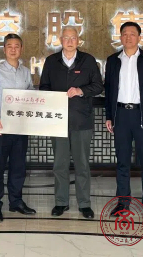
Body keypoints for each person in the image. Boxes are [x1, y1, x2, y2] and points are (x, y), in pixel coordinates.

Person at [40, 26, 104, 219]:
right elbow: (44, 87)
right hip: (57, 121)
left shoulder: (88, 60)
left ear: (78, 40)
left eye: (73, 38)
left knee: (82, 164)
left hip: (81, 120)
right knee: (59, 164)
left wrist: (80, 91)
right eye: (66, 38)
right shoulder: (52, 61)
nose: (69, 41)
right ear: (60, 40)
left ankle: (84, 204)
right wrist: (53, 98)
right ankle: (61, 202)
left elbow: (98, 86)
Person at [104, 22, 143, 224]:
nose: (128, 37)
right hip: (120, 115)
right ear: (120, 37)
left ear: (139, 37)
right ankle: (123, 203)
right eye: (124, 34)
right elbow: (109, 90)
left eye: (132, 34)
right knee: (122, 162)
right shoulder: (113, 61)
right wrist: (109, 116)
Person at [0, 33, 37, 222]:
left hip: (20, 127)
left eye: (17, 46)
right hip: (1, 127)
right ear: (4, 49)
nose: (13, 49)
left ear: (21, 49)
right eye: (9, 46)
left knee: (18, 166)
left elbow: (30, 93)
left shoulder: (25, 72)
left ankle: (16, 201)